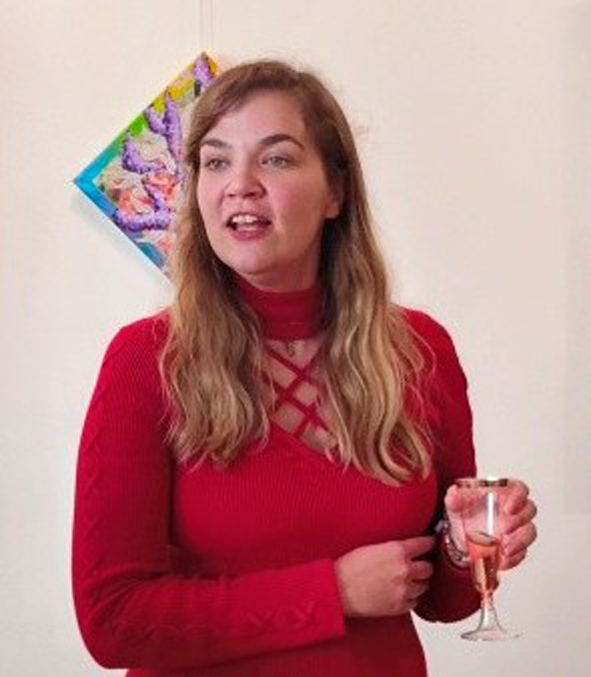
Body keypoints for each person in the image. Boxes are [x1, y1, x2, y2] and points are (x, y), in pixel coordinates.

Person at [72, 60, 537, 677]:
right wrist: (332, 593)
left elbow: (444, 603)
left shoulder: (419, 350)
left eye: (276, 159)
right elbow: (113, 622)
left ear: (335, 192)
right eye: (216, 162)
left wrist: (462, 548)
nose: (240, 184)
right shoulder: (145, 360)